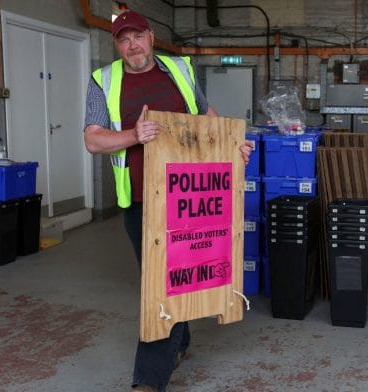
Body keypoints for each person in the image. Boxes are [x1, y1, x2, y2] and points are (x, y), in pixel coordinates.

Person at [83, 10, 253, 392]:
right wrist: (133, 135)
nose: (133, 46)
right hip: (142, 202)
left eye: (137, 37)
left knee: (171, 282)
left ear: (151, 35)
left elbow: (207, 119)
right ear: (117, 45)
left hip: (191, 196)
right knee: (161, 283)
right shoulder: (104, 81)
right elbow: (93, 139)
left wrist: (233, 145)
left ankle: (149, 379)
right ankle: (178, 345)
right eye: (124, 40)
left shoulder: (179, 69)